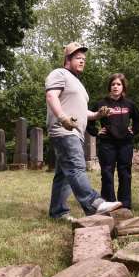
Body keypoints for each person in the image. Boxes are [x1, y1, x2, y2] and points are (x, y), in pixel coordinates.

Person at [46, 42, 122, 221]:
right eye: (78, 58)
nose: (82, 61)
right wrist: (62, 117)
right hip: (63, 131)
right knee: (76, 167)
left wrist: (96, 114)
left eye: (84, 59)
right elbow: (51, 96)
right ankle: (94, 203)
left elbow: (81, 111)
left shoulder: (78, 84)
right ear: (67, 59)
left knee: (63, 175)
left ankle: (58, 212)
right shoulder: (59, 74)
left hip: (75, 132)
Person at [87, 74, 139, 210]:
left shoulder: (129, 104)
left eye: (118, 84)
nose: (115, 87)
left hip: (125, 144)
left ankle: (125, 204)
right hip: (107, 144)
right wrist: (96, 132)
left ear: (123, 87)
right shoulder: (101, 104)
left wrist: (133, 131)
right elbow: (89, 121)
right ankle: (108, 203)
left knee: (125, 173)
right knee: (107, 173)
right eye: (113, 84)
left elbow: (138, 119)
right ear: (109, 87)